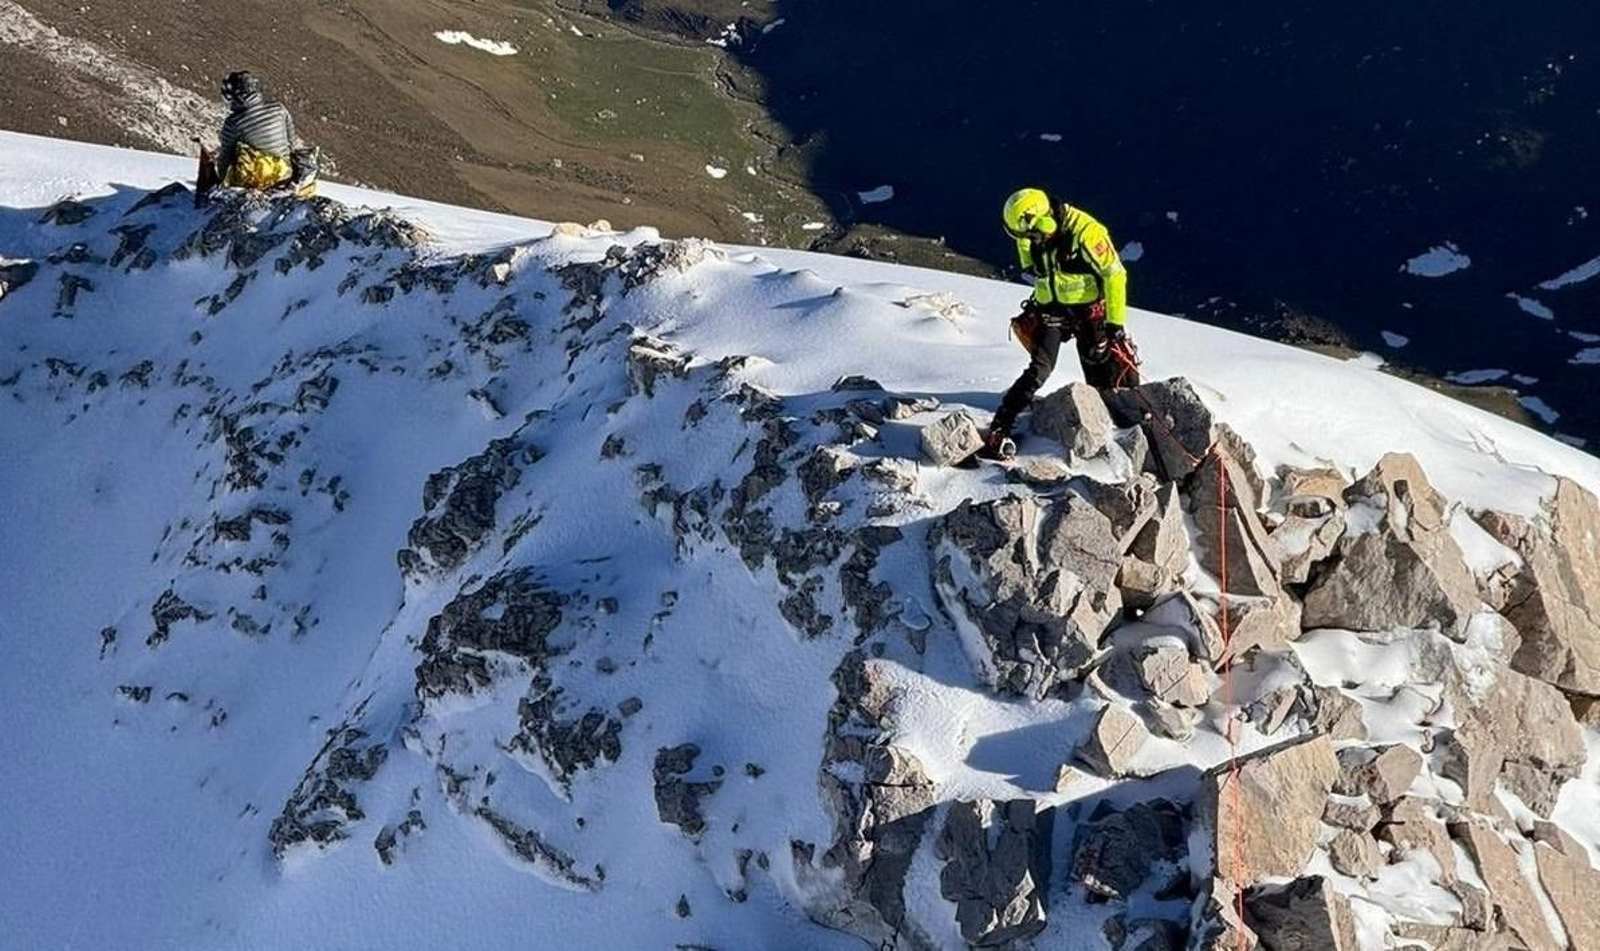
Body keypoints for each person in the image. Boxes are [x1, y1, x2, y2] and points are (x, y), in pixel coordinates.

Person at [982, 187, 1141, 460]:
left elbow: (1114, 275)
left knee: (1099, 367)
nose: (1030, 240)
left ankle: (1120, 428)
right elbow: (1030, 261)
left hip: (1088, 312)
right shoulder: (1033, 230)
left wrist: (1114, 325)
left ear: (1044, 221)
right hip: (1052, 309)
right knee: (1040, 369)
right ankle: (1000, 426)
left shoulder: (1087, 233)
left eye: (1031, 235)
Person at [210, 71, 316, 196]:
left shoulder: (233, 123)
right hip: (286, 175)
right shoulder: (279, 109)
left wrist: (219, 182)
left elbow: (225, 158)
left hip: (255, 181)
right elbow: (293, 145)